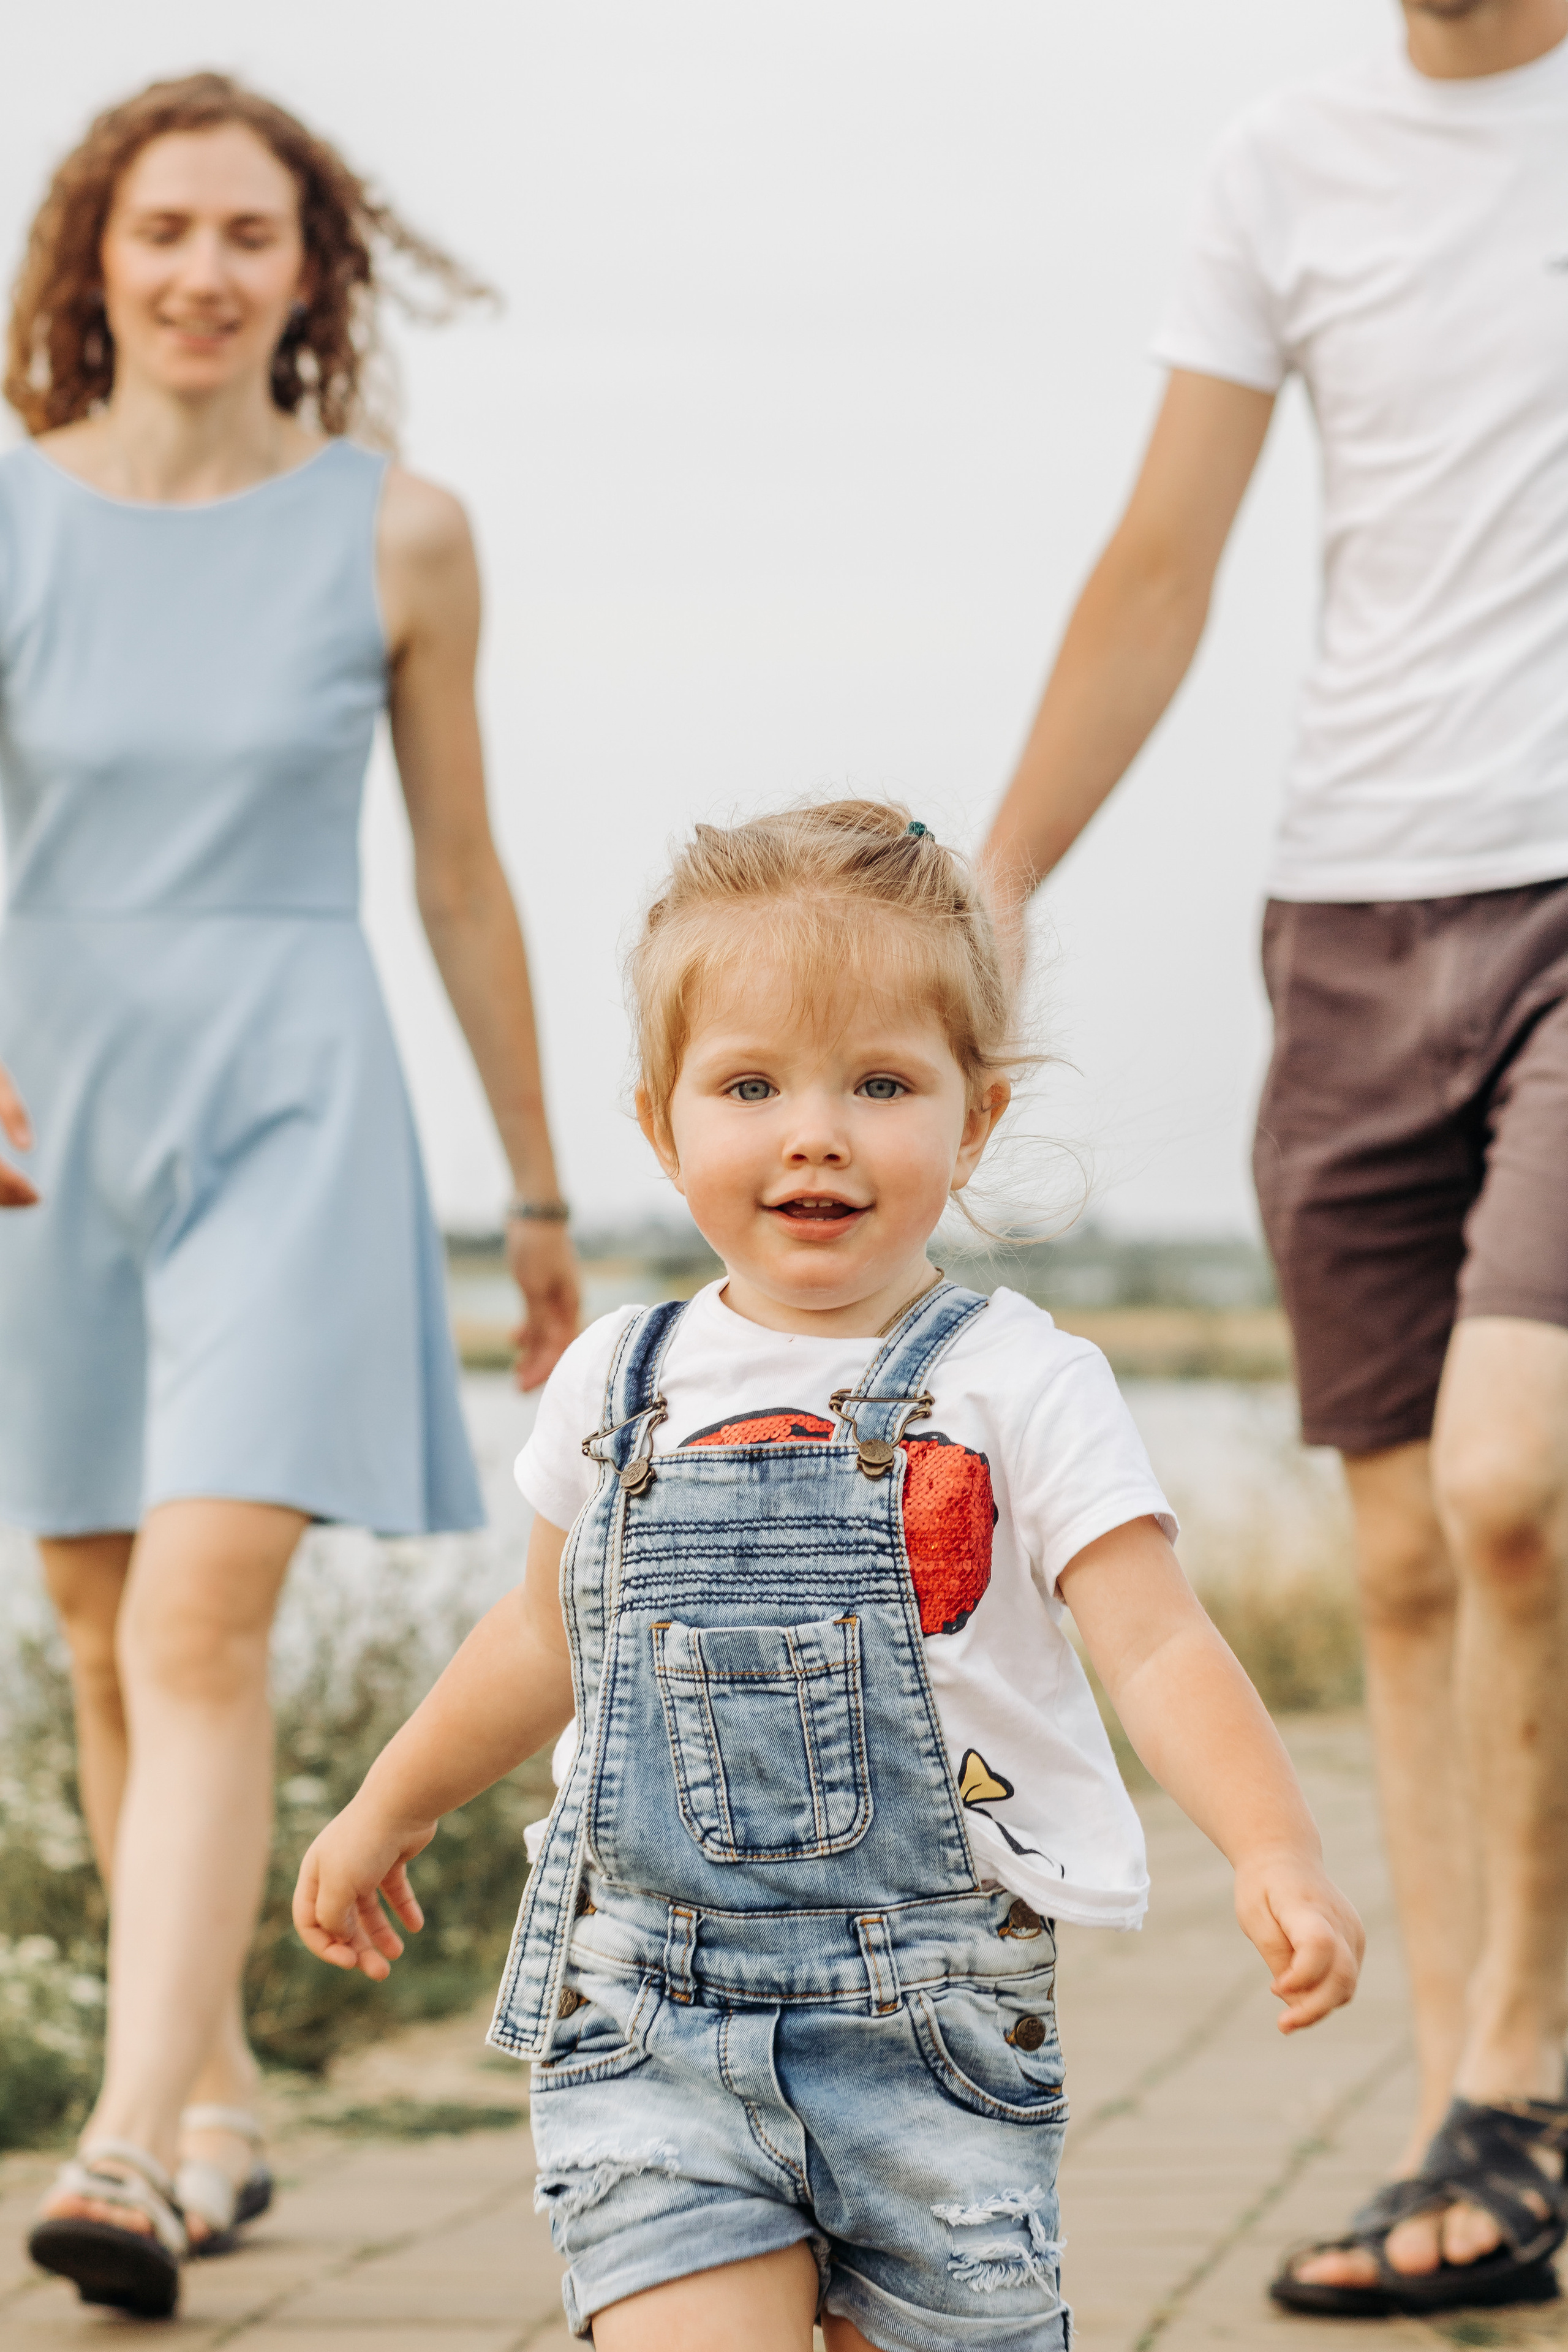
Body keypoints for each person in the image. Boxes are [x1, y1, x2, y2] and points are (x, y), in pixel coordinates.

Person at [292, 799, 1362, 2350]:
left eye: (879, 1082)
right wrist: (390, 1802)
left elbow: (1154, 1647)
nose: (815, 1132)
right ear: (660, 1126)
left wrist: (1273, 1849)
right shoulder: (618, 1380)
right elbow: (541, 1638)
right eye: (750, 1085)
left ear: (973, 1119)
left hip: (932, 2033)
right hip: (647, 2003)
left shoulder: (1018, 1381)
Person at [982, 0, 1568, 2320]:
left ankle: (1518, 2085)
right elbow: (1164, 559)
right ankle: (1476, 2129)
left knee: (1518, 1485)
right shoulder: (1283, 162)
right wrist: (1000, 883)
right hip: (1345, 908)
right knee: (1408, 1559)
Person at [0, 73, 579, 2320]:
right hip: (47, 1119)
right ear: (96, 253)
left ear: (313, 273)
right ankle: (222, 2099)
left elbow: (461, 874)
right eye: (166, 229)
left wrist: (536, 1189)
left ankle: (124, 2146)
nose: (204, 271)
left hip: (290, 1101)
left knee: (198, 1621)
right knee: (99, 1631)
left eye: (252, 233)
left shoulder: (399, 533)